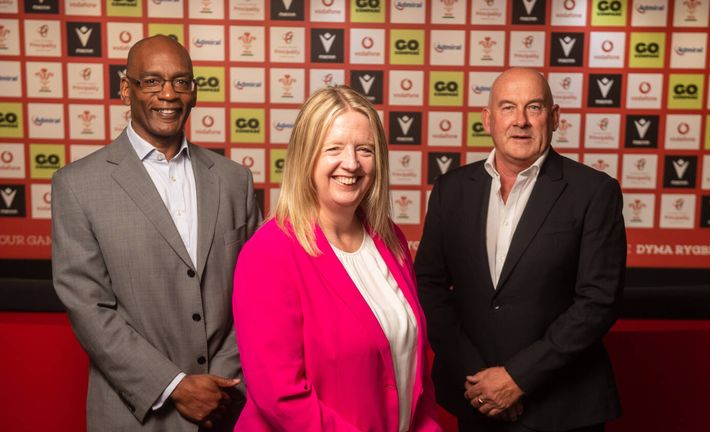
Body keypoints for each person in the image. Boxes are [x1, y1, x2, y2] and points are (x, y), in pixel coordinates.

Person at [52, 35, 260, 431]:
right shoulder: (77, 185)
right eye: (151, 81)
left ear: (195, 93)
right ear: (125, 89)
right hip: (136, 415)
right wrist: (176, 386)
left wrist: (222, 385)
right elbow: (88, 308)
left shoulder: (235, 181)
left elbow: (255, 292)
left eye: (181, 82)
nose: (168, 93)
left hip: (228, 407)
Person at [414, 68, 625, 432]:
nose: (521, 121)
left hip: (562, 409)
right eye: (508, 107)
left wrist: (517, 379)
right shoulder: (451, 189)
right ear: (488, 119)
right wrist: (478, 381)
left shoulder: (594, 192)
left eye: (535, 108)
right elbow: (429, 287)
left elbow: (598, 301)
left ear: (555, 117)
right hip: (475, 400)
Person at [232, 86, 442, 432]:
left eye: (365, 150)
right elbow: (281, 397)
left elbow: (414, 365)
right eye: (334, 149)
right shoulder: (269, 253)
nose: (352, 163)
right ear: (306, 156)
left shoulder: (390, 239)